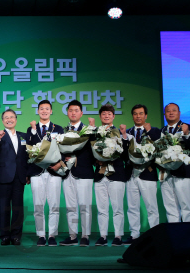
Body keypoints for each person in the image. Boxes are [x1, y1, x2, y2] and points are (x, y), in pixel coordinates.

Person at [26, 100, 65, 247]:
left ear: (51, 111)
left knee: (54, 205)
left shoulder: (58, 128)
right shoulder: (31, 129)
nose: (44, 111)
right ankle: (41, 235)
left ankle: (52, 235)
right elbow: (28, 151)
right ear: (38, 111)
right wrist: (34, 130)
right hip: (36, 171)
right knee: (38, 205)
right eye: (41, 109)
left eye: (47, 109)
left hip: (54, 171)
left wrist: (58, 164)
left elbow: (63, 149)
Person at [59, 100, 96, 247]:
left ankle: (85, 235)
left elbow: (95, 150)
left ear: (81, 113)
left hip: (84, 172)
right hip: (68, 173)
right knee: (70, 207)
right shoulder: (63, 130)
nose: (73, 113)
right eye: (70, 110)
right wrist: (64, 158)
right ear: (67, 112)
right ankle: (73, 235)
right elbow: (58, 150)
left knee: (85, 205)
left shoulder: (89, 130)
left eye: (76, 110)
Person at [0, 109, 29, 246]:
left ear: (16, 120)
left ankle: (16, 236)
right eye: (6, 117)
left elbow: (28, 157)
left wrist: (27, 174)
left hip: (19, 176)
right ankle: (5, 236)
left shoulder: (23, 136)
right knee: (4, 207)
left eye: (12, 117)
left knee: (18, 208)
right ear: (2, 121)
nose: (9, 119)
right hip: (3, 176)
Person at [123, 104, 161, 245]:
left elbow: (159, 147)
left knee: (151, 206)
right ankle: (134, 235)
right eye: (135, 114)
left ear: (146, 116)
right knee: (132, 207)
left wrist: (149, 130)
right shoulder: (127, 132)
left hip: (148, 173)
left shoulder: (155, 131)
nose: (138, 116)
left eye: (141, 113)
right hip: (131, 174)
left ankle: (154, 235)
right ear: (132, 116)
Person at [93, 104, 130, 247]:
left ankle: (118, 236)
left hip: (117, 174)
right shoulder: (95, 132)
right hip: (100, 174)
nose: (106, 116)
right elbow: (90, 152)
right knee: (102, 208)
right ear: (100, 116)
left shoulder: (120, 132)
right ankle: (102, 236)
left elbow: (126, 154)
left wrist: (124, 138)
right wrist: (96, 159)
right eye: (103, 114)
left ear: (113, 116)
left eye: (109, 114)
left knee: (117, 207)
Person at [160, 103, 190, 224]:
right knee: (170, 207)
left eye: (174, 110)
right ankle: (174, 234)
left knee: (185, 206)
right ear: (164, 114)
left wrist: (186, 134)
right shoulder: (162, 131)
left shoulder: (187, 127)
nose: (171, 113)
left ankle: (187, 236)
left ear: (179, 113)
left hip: (183, 173)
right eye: (168, 111)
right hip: (166, 174)